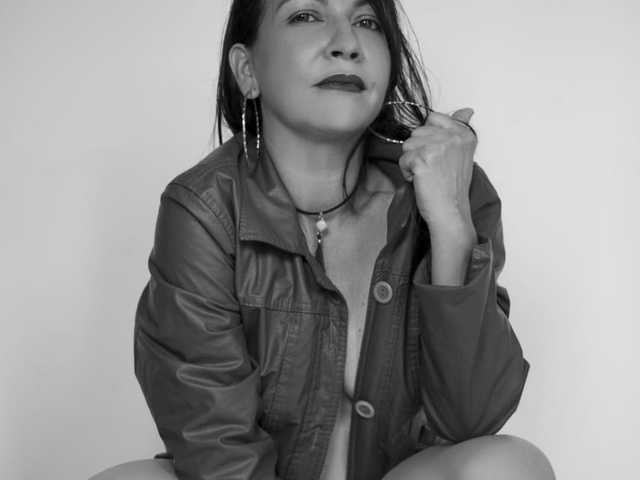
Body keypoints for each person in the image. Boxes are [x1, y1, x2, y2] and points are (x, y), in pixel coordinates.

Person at [91, 0, 555, 479]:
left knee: (507, 465)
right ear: (247, 70)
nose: (347, 43)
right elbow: (213, 441)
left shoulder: (450, 188)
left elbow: (472, 419)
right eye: (306, 15)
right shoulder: (205, 209)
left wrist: (451, 225)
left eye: (366, 21)